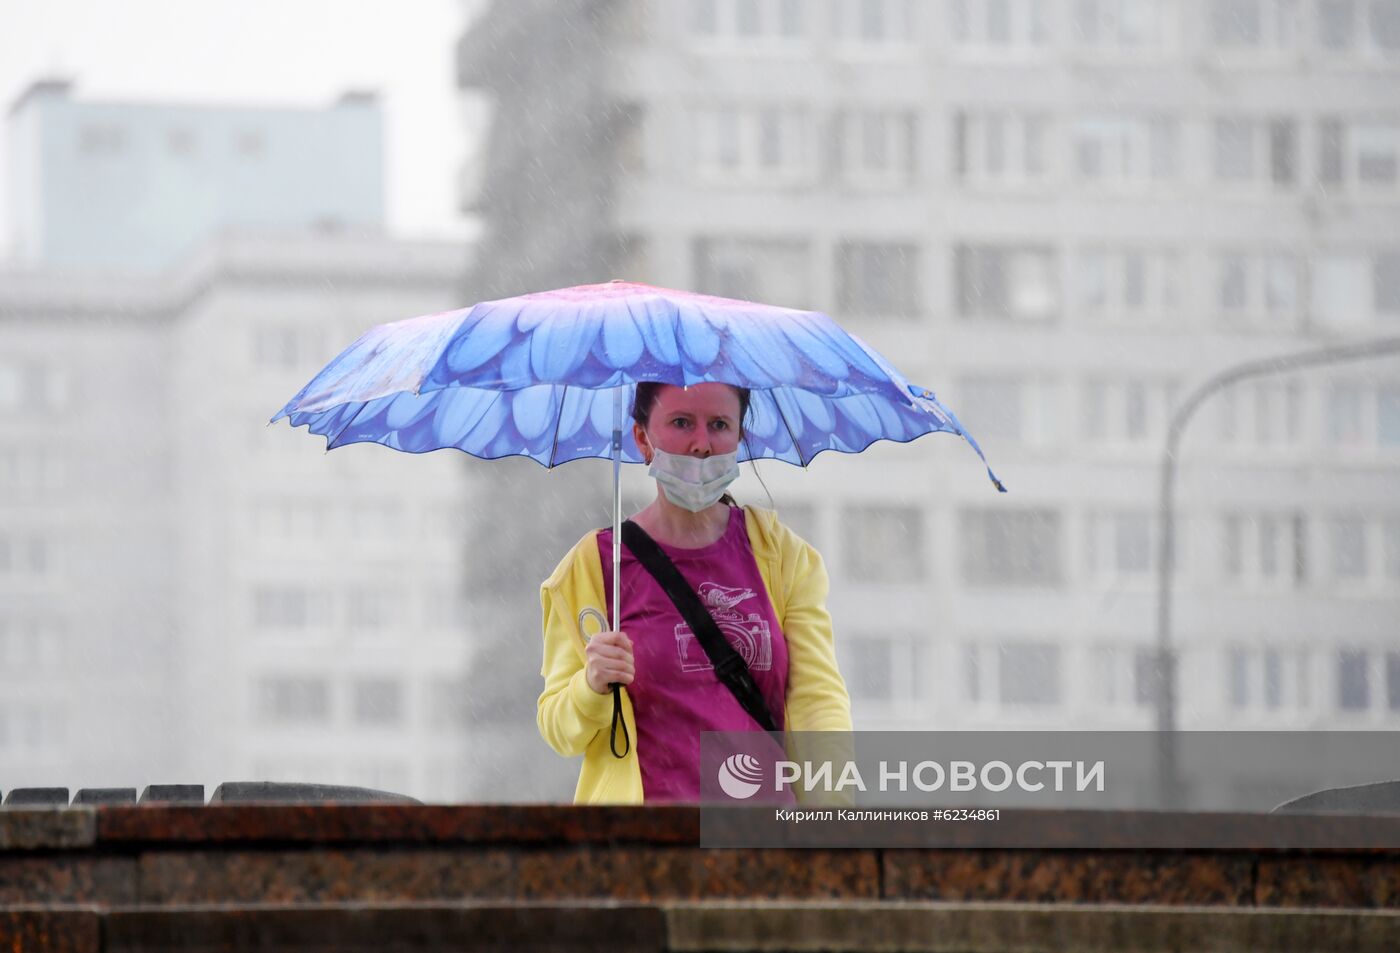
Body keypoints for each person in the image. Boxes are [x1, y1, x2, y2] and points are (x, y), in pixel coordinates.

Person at [537, 381, 852, 804]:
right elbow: (559, 729)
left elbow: (817, 704)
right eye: (681, 422)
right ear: (642, 438)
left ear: (740, 436)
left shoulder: (782, 556)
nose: (701, 444)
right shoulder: (594, 567)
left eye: (719, 424)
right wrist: (590, 686)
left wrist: (830, 823)